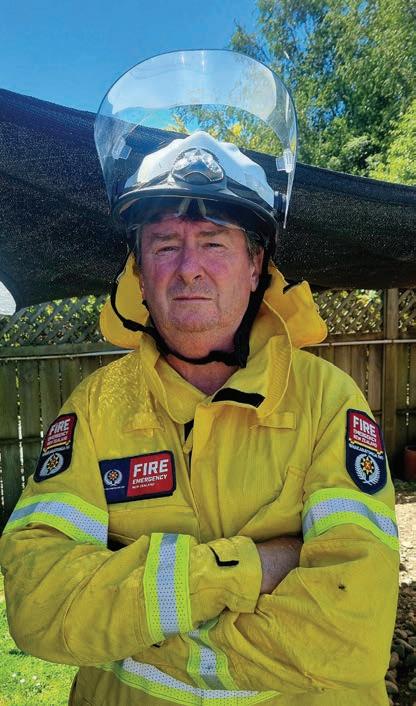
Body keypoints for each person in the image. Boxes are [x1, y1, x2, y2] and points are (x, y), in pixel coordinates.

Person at [0, 51, 399, 706]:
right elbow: (40, 605)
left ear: (255, 266)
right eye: (165, 244)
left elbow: (350, 633)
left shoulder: (329, 403)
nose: (189, 267)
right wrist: (252, 568)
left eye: (214, 242)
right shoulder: (96, 409)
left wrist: (131, 625)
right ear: (139, 271)